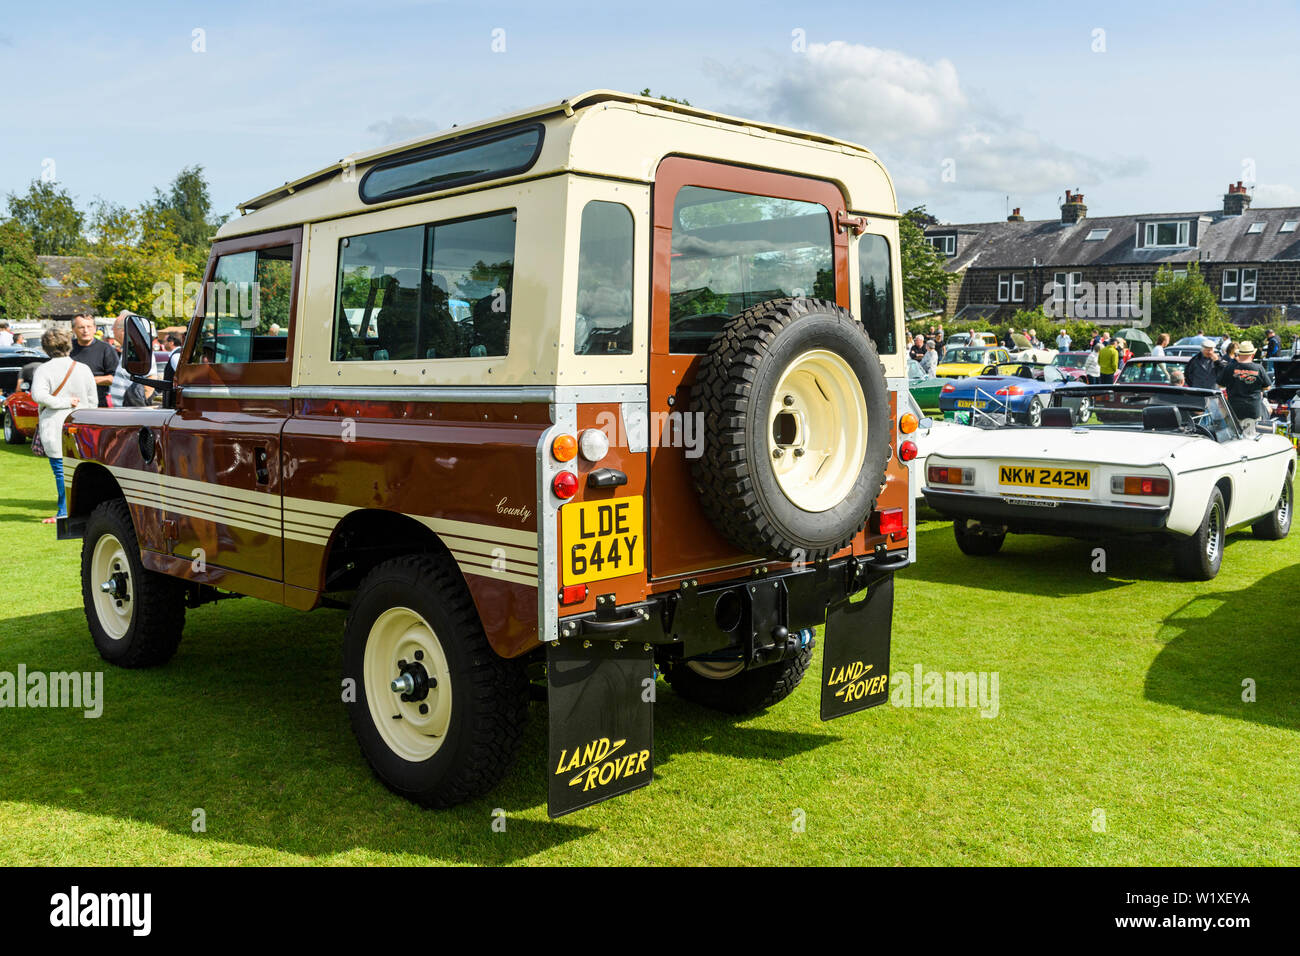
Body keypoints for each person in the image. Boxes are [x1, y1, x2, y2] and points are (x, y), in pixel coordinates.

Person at [32, 328, 98, 524]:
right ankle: (82, 510)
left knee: (61, 471)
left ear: (45, 348)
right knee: (83, 469)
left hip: (54, 425)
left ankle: (64, 511)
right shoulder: (83, 369)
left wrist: (64, 402)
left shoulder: (43, 369)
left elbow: (38, 396)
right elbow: (93, 401)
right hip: (81, 424)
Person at [1217, 341, 1271, 433]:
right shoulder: (1259, 368)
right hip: (1253, 410)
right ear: (1252, 355)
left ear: (1238, 354)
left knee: (1234, 439)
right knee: (1251, 439)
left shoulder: (1229, 367)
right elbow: (1267, 387)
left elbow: (1220, 385)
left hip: (1234, 410)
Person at [108, 313, 158, 407]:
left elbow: (150, 381)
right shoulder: (129, 350)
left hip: (130, 413)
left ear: (123, 330)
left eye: (114, 328)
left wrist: (139, 408)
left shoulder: (138, 350)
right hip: (124, 411)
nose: (112, 331)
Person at [69, 313, 119, 406]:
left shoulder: (106, 349)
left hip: (98, 405)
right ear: (73, 329)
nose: (86, 331)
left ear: (95, 328)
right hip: (69, 404)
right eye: (81, 327)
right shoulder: (66, 348)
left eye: (89, 327)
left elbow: (114, 379)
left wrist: (87, 380)